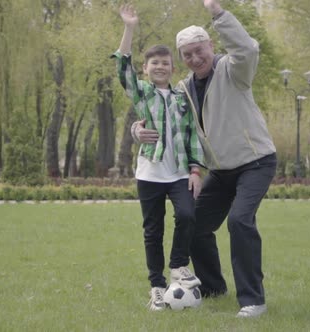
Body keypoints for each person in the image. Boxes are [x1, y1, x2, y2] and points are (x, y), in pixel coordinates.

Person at [133, 0, 277, 318]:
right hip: (222, 171)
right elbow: (159, 116)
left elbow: (248, 50)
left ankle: (253, 300)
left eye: (200, 50)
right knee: (194, 224)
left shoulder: (233, 71)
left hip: (255, 161)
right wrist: (136, 130)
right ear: (181, 58)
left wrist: (218, 14)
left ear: (211, 46)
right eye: (188, 54)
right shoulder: (184, 88)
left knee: (240, 221)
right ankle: (212, 288)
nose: (196, 58)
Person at [112, 4, 204, 311]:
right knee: (153, 231)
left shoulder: (182, 97)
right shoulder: (142, 93)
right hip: (150, 174)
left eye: (165, 63)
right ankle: (156, 287)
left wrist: (194, 170)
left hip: (178, 174)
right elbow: (122, 68)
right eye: (154, 63)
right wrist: (129, 28)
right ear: (146, 69)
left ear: (173, 69)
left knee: (188, 215)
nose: (161, 67)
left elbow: (191, 134)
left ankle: (178, 265)